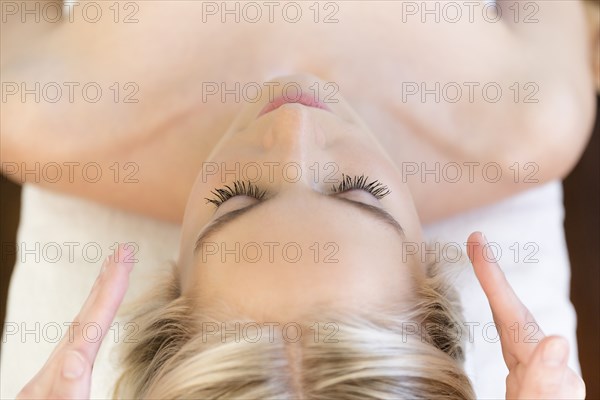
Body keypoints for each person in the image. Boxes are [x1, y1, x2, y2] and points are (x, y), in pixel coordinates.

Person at [2, 1, 595, 399]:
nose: (295, 128)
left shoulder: (39, 106)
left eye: (236, 200)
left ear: (166, 288)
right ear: (435, 286)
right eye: (359, 193)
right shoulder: (525, 118)